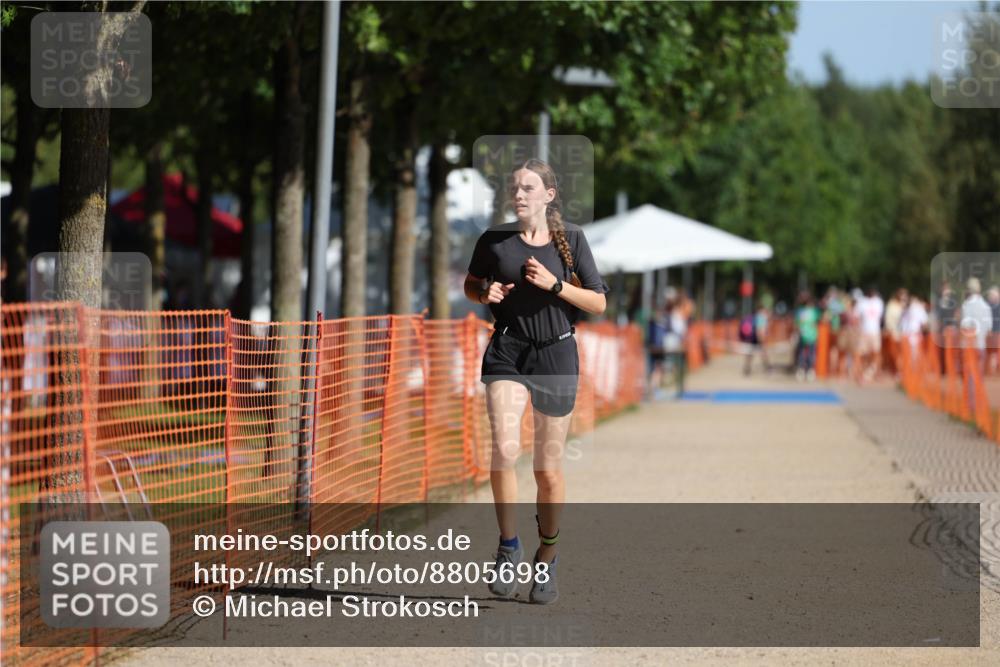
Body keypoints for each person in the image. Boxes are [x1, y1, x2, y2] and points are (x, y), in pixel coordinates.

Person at [463, 158, 609, 605]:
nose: (519, 194)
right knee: (504, 450)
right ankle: (508, 548)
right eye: (515, 188)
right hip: (508, 350)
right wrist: (482, 293)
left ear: (549, 195)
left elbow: (599, 302)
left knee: (546, 470)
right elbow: (471, 283)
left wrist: (555, 285)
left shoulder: (572, 242)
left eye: (529, 187)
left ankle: (546, 559)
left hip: (556, 353)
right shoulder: (494, 241)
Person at [855, 285, 885, 383]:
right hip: (864, 331)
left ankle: (875, 372)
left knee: (876, 353)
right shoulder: (862, 302)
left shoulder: (879, 302)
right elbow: (856, 316)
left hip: (875, 331)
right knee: (861, 353)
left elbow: (880, 318)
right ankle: (860, 373)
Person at [794, 291, 820, 382]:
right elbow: (797, 324)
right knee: (804, 354)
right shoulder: (802, 311)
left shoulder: (812, 311)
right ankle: (803, 370)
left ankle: (808, 370)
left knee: (809, 354)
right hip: (805, 335)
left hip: (810, 335)